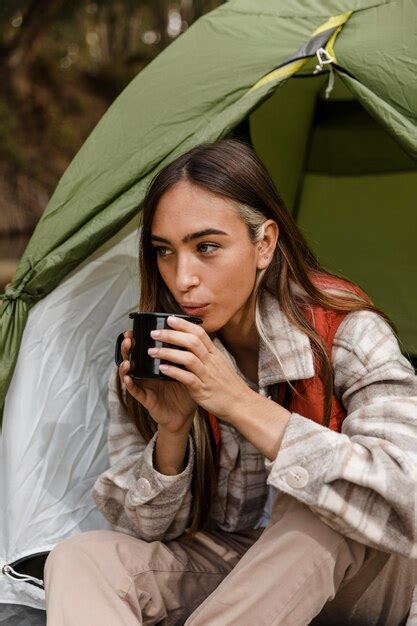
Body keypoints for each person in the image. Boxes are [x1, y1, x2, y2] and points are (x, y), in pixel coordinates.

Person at [44, 139, 417, 625]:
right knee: (80, 558)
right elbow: (147, 529)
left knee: (319, 507)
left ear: (264, 244)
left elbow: (406, 493)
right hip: (239, 578)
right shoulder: (161, 348)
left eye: (207, 247)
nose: (183, 279)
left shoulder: (348, 334)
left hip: (359, 584)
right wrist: (172, 433)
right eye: (164, 252)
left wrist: (237, 401)